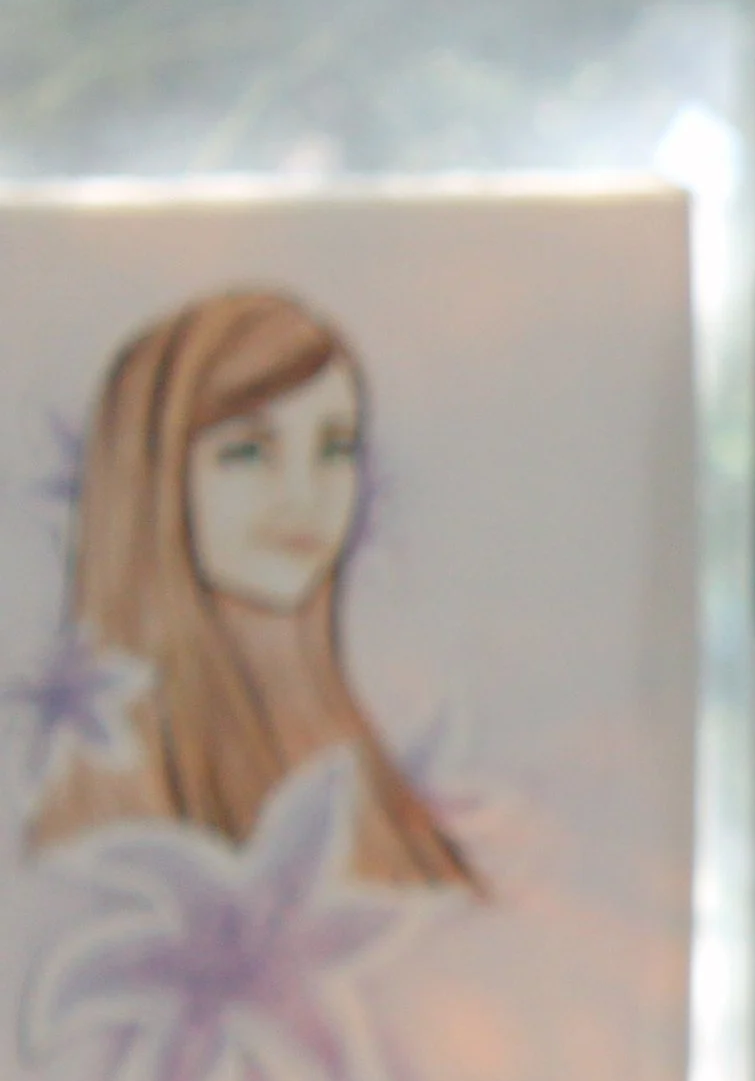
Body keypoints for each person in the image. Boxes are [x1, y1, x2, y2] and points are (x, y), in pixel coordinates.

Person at [28, 286, 476, 890]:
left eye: (335, 448)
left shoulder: (354, 751)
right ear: (151, 477)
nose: (305, 495)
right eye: (247, 452)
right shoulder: (99, 804)